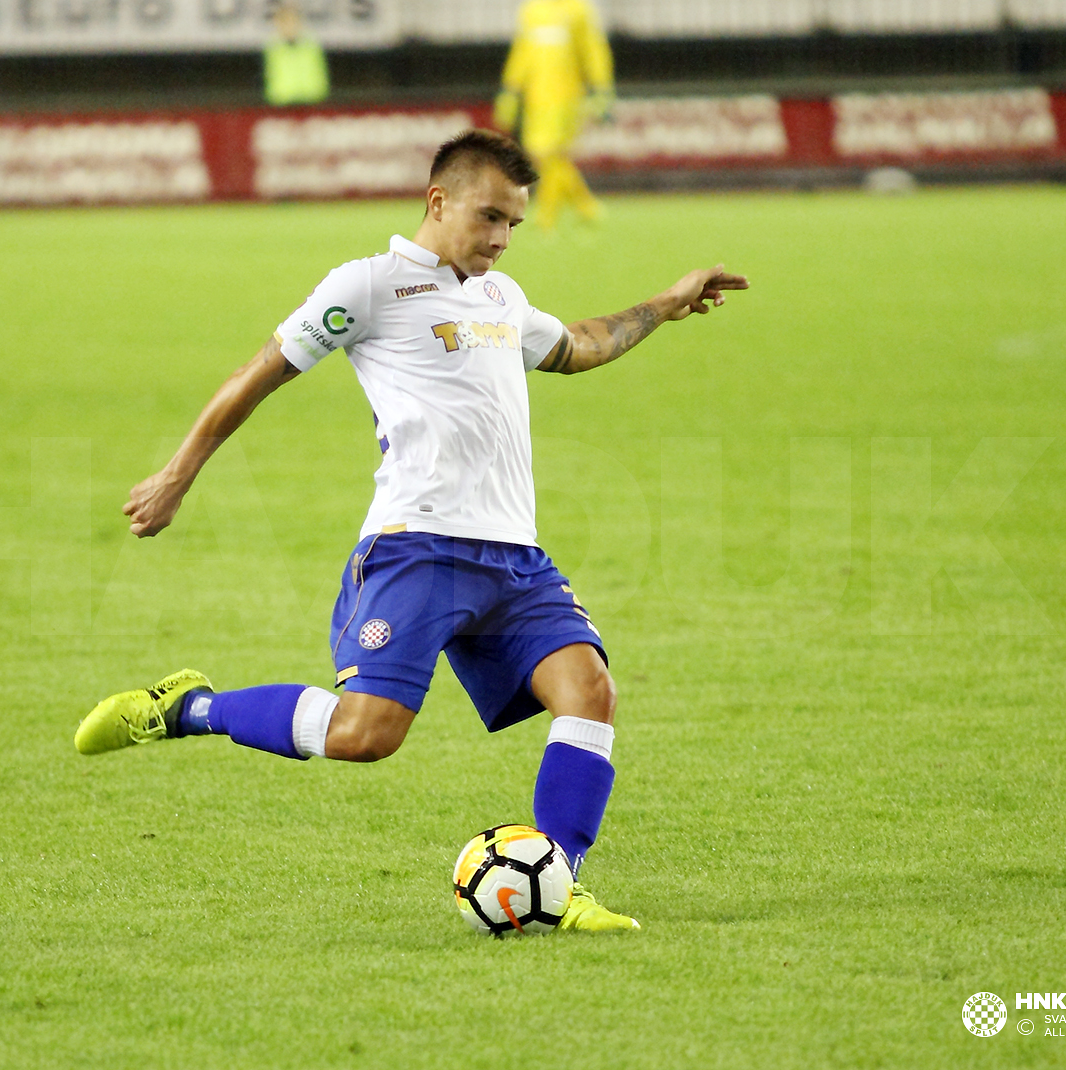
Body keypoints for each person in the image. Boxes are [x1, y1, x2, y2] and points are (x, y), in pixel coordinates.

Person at [75, 129, 747, 933]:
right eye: (489, 218)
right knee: (365, 736)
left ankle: (559, 884)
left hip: (515, 558)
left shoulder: (501, 299)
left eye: (514, 226)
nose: (500, 239)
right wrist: (177, 475)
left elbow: (579, 346)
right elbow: (260, 372)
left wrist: (666, 307)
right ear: (438, 202)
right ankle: (189, 708)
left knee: (590, 691)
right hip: (417, 546)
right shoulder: (369, 287)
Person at [493, 0, 614, 230]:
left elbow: (593, 49)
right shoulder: (533, 10)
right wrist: (511, 89)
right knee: (548, 157)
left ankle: (546, 217)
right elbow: (522, 53)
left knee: (549, 154)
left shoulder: (578, 10)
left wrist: (601, 87)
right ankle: (587, 207)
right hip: (535, 98)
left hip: (567, 97)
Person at [263, 2, 328, 107]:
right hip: (281, 106)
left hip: (312, 104)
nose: (290, 26)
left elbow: (318, 78)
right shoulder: (273, 47)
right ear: (278, 23)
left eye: (293, 21)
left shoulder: (311, 45)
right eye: (285, 22)